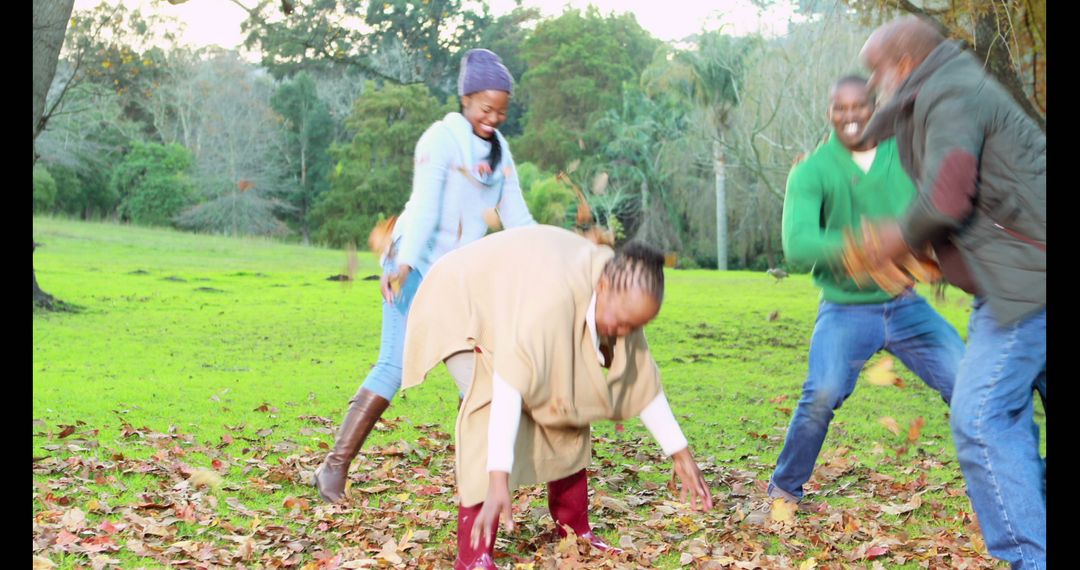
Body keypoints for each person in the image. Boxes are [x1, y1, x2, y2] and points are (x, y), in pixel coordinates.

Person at [400, 225, 713, 569]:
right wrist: (498, 478)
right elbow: (508, 387)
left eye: (634, 326)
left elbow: (639, 377)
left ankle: (574, 528)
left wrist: (680, 454)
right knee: (487, 406)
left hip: (516, 297)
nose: (624, 333)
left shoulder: (622, 292)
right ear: (603, 287)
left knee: (569, 401)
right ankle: (474, 555)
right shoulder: (552, 304)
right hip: (461, 302)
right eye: (622, 323)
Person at [854, 16, 1046, 568]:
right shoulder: (950, 88)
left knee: (982, 416)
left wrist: (889, 239)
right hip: (1022, 277)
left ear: (906, 64)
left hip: (1028, 286)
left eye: (877, 70)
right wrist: (935, 260)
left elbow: (948, 192)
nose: (871, 85)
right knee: (1007, 413)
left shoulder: (951, 90)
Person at [313, 49, 536, 504]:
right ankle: (333, 468)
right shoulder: (440, 139)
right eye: (485, 108)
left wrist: (551, 254)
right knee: (394, 365)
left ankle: (475, 481)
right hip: (412, 267)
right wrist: (403, 265)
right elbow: (427, 205)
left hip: (460, 281)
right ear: (466, 98)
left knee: (478, 379)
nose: (493, 118)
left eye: (501, 111)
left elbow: (517, 216)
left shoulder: (499, 150)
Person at [759, 75, 964, 518]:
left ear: (876, 105)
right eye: (840, 108)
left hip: (906, 306)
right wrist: (869, 246)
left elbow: (936, 214)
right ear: (829, 111)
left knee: (968, 382)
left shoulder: (904, 157)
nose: (850, 116)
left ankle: (1005, 481)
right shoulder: (812, 171)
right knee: (822, 393)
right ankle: (784, 491)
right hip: (845, 308)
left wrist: (922, 251)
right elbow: (797, 248)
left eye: (860, 106)